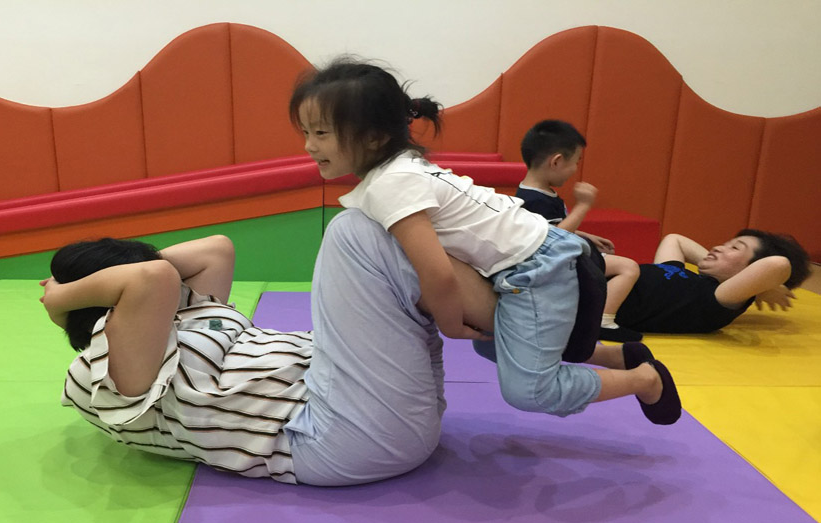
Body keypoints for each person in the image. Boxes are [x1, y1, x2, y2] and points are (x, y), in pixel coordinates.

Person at [42, 215, 669, 487]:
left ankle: (595, 353)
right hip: (337, 436)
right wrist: (62, 297)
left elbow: (216, 249)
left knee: (379, 242)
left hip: (356, 401)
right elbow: (151, 278)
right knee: (358, 235)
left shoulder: (184, 312)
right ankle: (554, 293)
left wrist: (108, 271)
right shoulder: (109, 368)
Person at [289, 57, 681, 426]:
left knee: (531, 390)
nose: (309, 145)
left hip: (539, 268)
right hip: (535, 254)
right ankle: (614, 355)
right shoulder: (401, 169)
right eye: (306, 132)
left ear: (375, 137)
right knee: (491, 344)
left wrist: (450, 325)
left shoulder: (391, 185)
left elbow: (437, 272)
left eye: (321, 133)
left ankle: (645, 380)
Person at [515, 119, 642, 343]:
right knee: (628, 268)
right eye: (575, 162)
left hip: (563, 258)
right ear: (556, 161)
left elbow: (552, 226)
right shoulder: (534, 200)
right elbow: (551, 238)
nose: (575, 170)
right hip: (555, 265)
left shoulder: (539, 191)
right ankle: (603, 321)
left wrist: (585, 235)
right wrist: (583, 205)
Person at [612, 230, 811, 334]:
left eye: (735, 248)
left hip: (600, 295)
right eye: (725, 244)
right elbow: (675, 239)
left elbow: (779, 264)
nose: (717, 247)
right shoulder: (681, 274)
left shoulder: (716, 299)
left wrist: (761, 287)